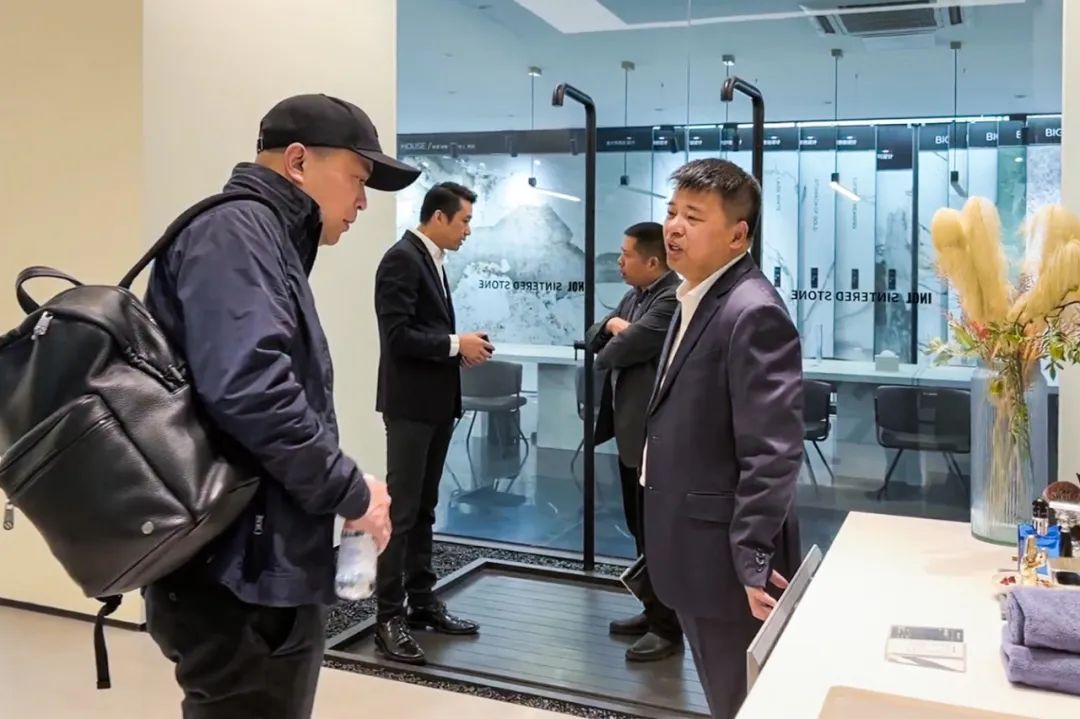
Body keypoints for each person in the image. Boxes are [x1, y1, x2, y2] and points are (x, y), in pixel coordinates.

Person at [142, 93, 416, 718]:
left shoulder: (261, 235)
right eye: (358, 178)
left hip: (254, 560)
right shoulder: (236, 233)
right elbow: (252, 389)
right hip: (235, 574)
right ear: (297, 162)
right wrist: (351, 491)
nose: (363, 201)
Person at [642, 159, 804, 719]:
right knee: (723, 692)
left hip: (729, 563)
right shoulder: (696, 296)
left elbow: (772, 451)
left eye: (693, 217)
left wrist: (753, 556)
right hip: (693, 548)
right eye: (671, 212)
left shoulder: (751, 310)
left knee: (742, 700)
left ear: (738, 235)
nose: (673, 227)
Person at [373, 181, 493, 664]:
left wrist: (458, 350)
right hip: (409, 408)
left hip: (435, 405)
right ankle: (387, 618)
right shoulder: (401, 259)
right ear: (438, 217)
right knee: (401, 514)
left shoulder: (432, 260)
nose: (468, 230)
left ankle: (421, 602)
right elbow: (398, 336)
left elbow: (424, 333)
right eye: (464, 220)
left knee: (423, 509)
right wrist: (455, 344)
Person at [585, 222, 682, 662]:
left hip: (655, 438)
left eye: (626, 255)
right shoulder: (634, 296)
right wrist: (614, 325)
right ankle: (651, 610)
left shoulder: (671, 298)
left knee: (658, 533)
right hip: (631, 436)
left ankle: (668, 628)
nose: (619, 262)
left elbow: (614, 352)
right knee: (639, 528)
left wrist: (618, 335)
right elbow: (594, 336)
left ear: (653, 262)